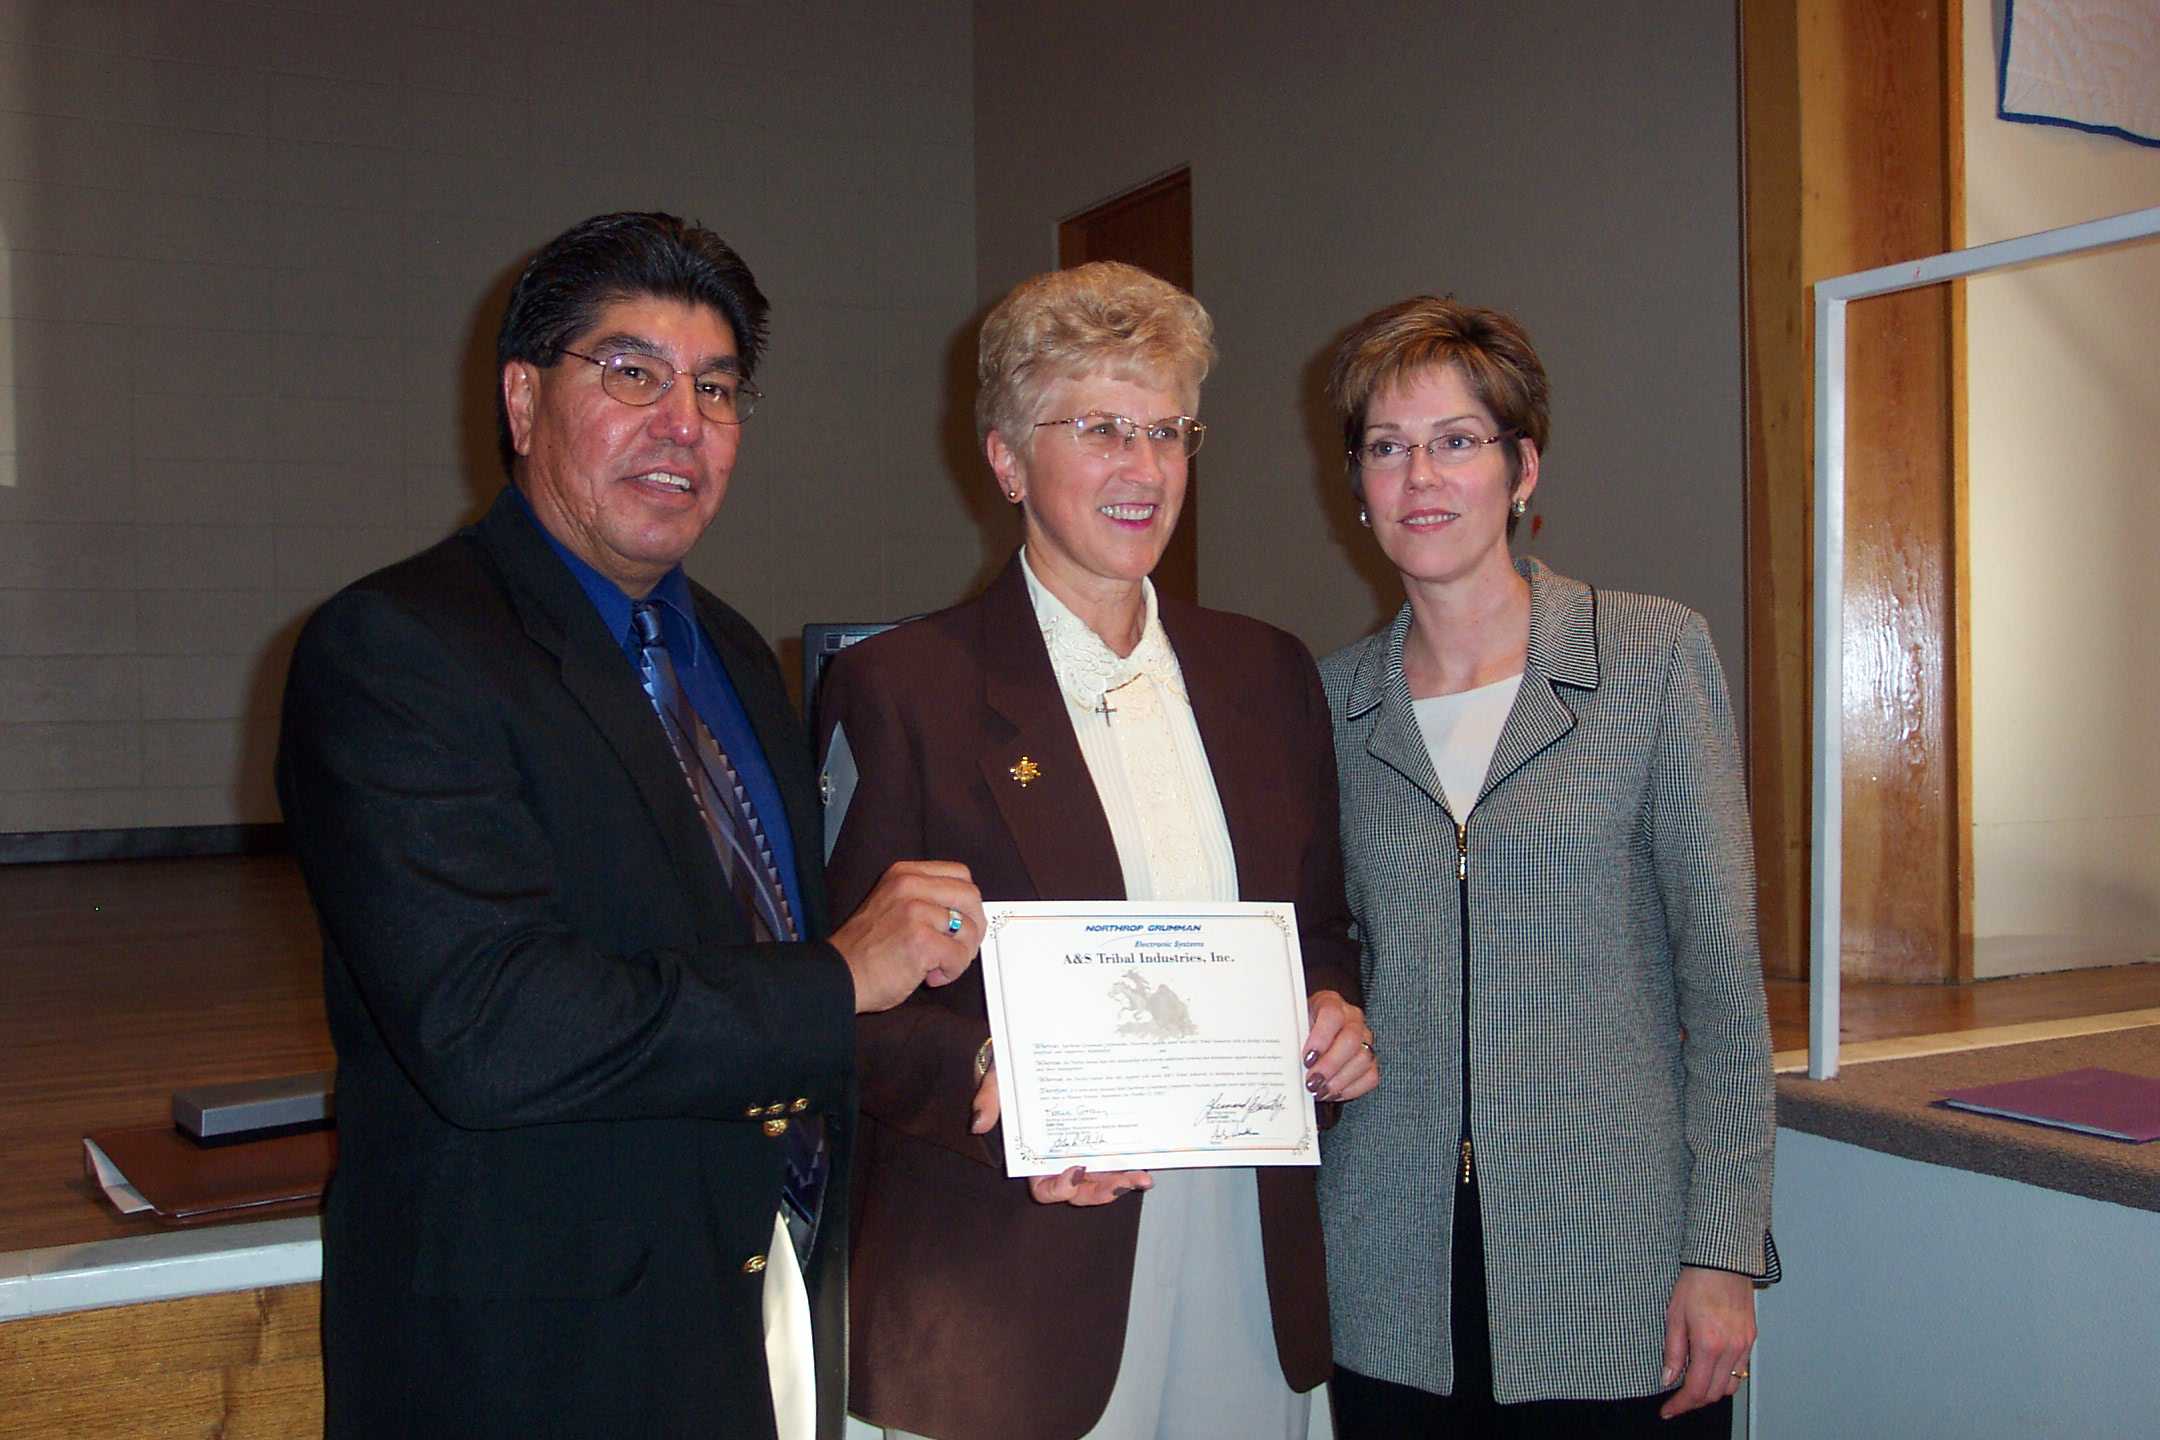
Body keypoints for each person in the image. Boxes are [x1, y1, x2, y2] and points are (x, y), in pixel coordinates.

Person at [277, 211, 983, 1440]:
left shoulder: (732, 656)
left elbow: (784, 1000)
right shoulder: (398, 651)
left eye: (715, 388)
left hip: (752, 1312)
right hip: (534, 1357)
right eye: (631, 373)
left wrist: (1004, 1080)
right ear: (521, 398)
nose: (684, 424)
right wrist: (836, 975)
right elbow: (493, 1027)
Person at [817, 262, 1378, 1440]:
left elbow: (1319, 927)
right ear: (1009, 460)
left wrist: (1333, 1009)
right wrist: (983, 1076)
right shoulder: (903, 690)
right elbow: (832, 1002)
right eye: (1100, 429)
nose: (1145, 468)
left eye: (1167, 429)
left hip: (1239, 1251)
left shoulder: (1266, 675)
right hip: (1003, 1292)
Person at [1315, 296, 1778, 1436]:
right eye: (1388, 446)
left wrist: (1724, 1250)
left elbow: (1721, 981)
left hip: (1611, 1264)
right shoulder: (1328, 705)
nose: (1421, 476)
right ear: (1360, 488)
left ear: (1523, 469)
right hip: (1390, 1271)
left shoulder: (1650, 657)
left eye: (1458, 441)